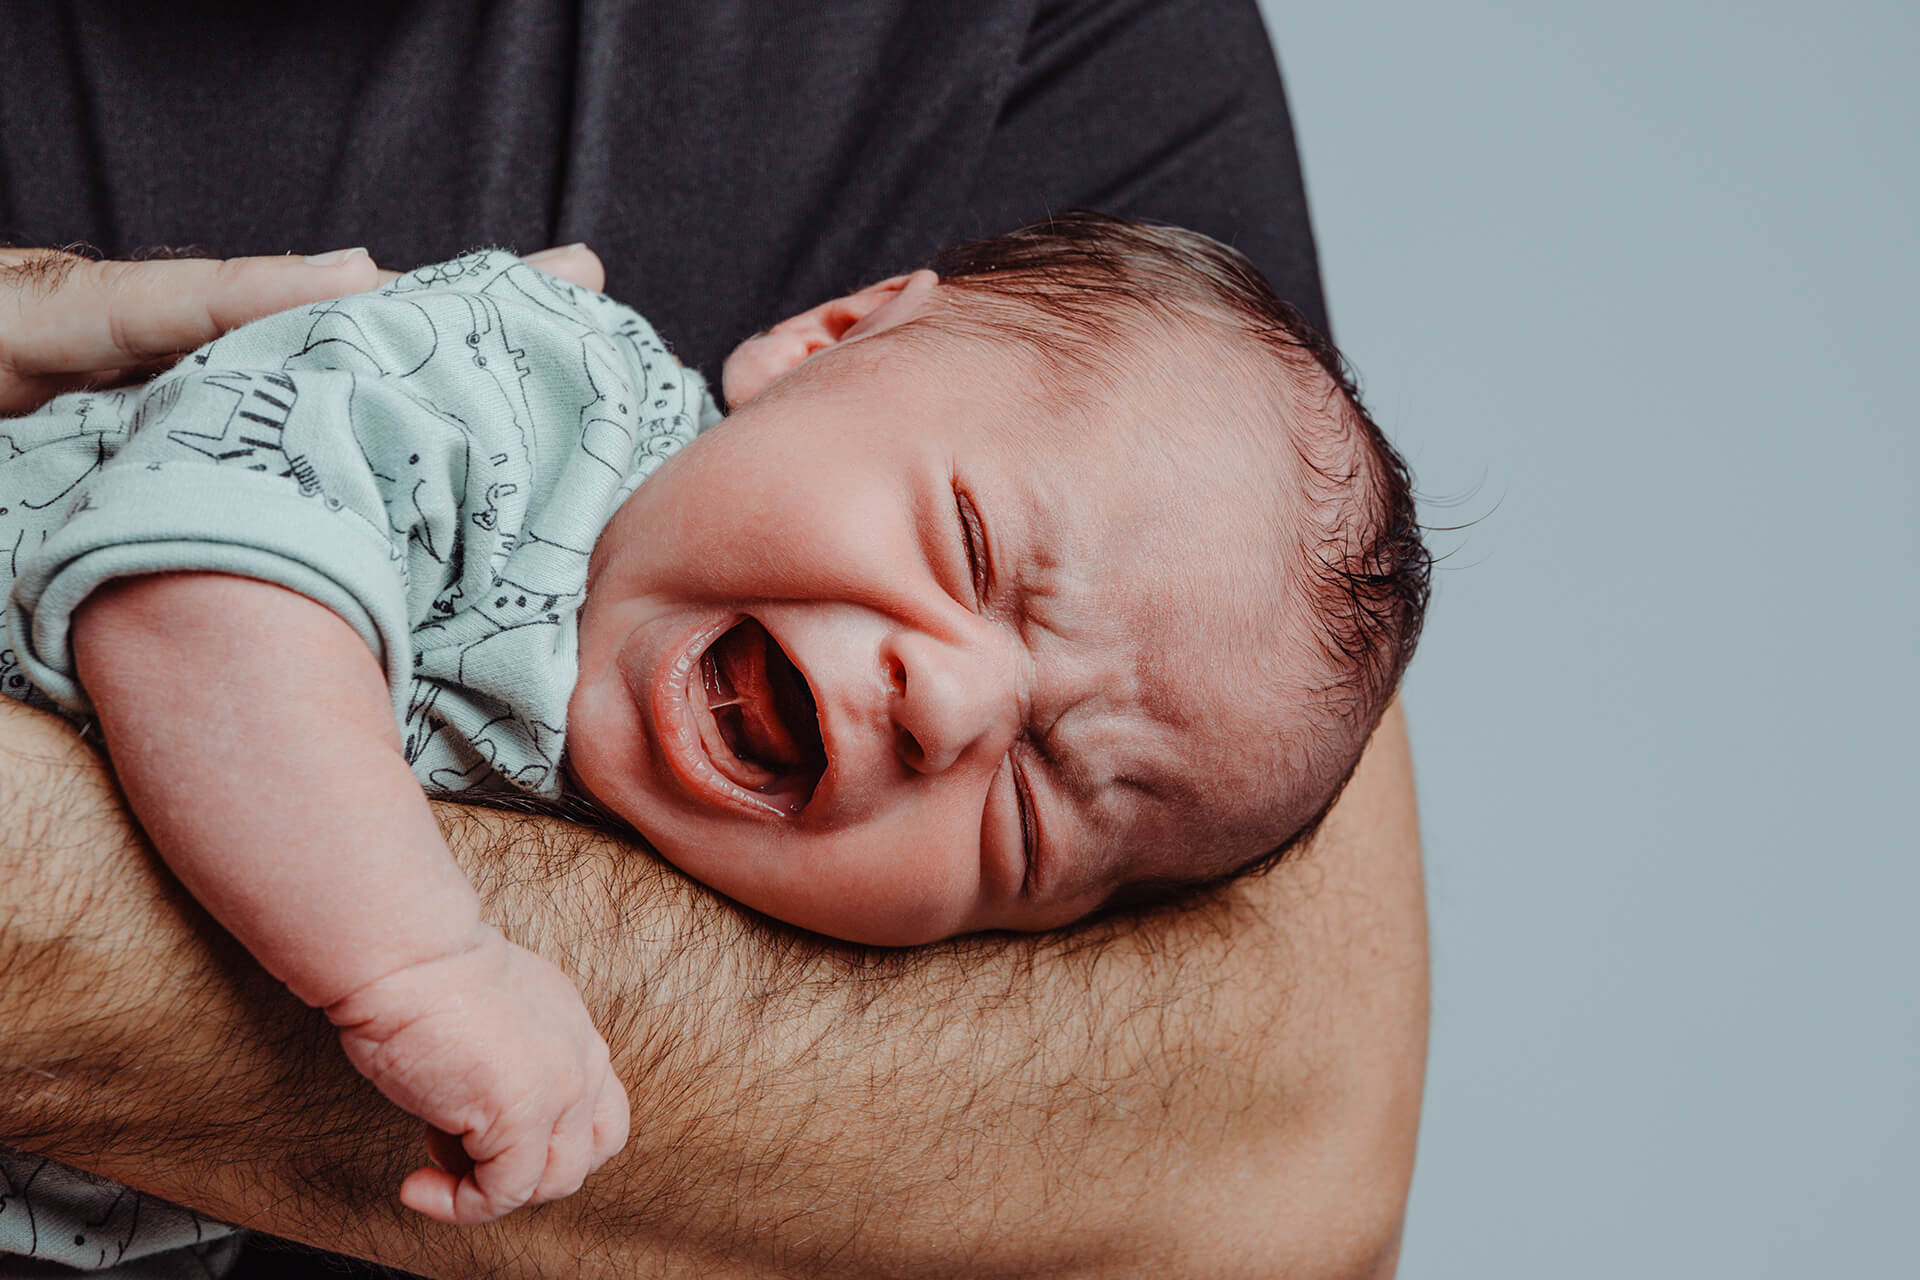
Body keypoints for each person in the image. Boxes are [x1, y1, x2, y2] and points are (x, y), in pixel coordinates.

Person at [0, 2, 1429, 1275]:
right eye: (973, 551)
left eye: (1031, 811)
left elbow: (1297, 1178)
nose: (951, 706)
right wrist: (421, 967)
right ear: (828, 340)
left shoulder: (1070, 41)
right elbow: (199, 596)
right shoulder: (530, 397)